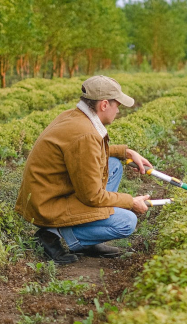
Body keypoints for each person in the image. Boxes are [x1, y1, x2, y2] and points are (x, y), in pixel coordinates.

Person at [15, 75, 152, 264]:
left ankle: (85, 237)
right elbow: (92, 196)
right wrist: (130, 201)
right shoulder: (85, 134)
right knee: (127, 222)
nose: (118, 111)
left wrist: (125, 152)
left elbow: (87, 153)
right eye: (117, 105)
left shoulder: (74, 117)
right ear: (104, 105)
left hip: (49, 193)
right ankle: (52, 235)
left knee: (112, 165)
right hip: (48, 205)